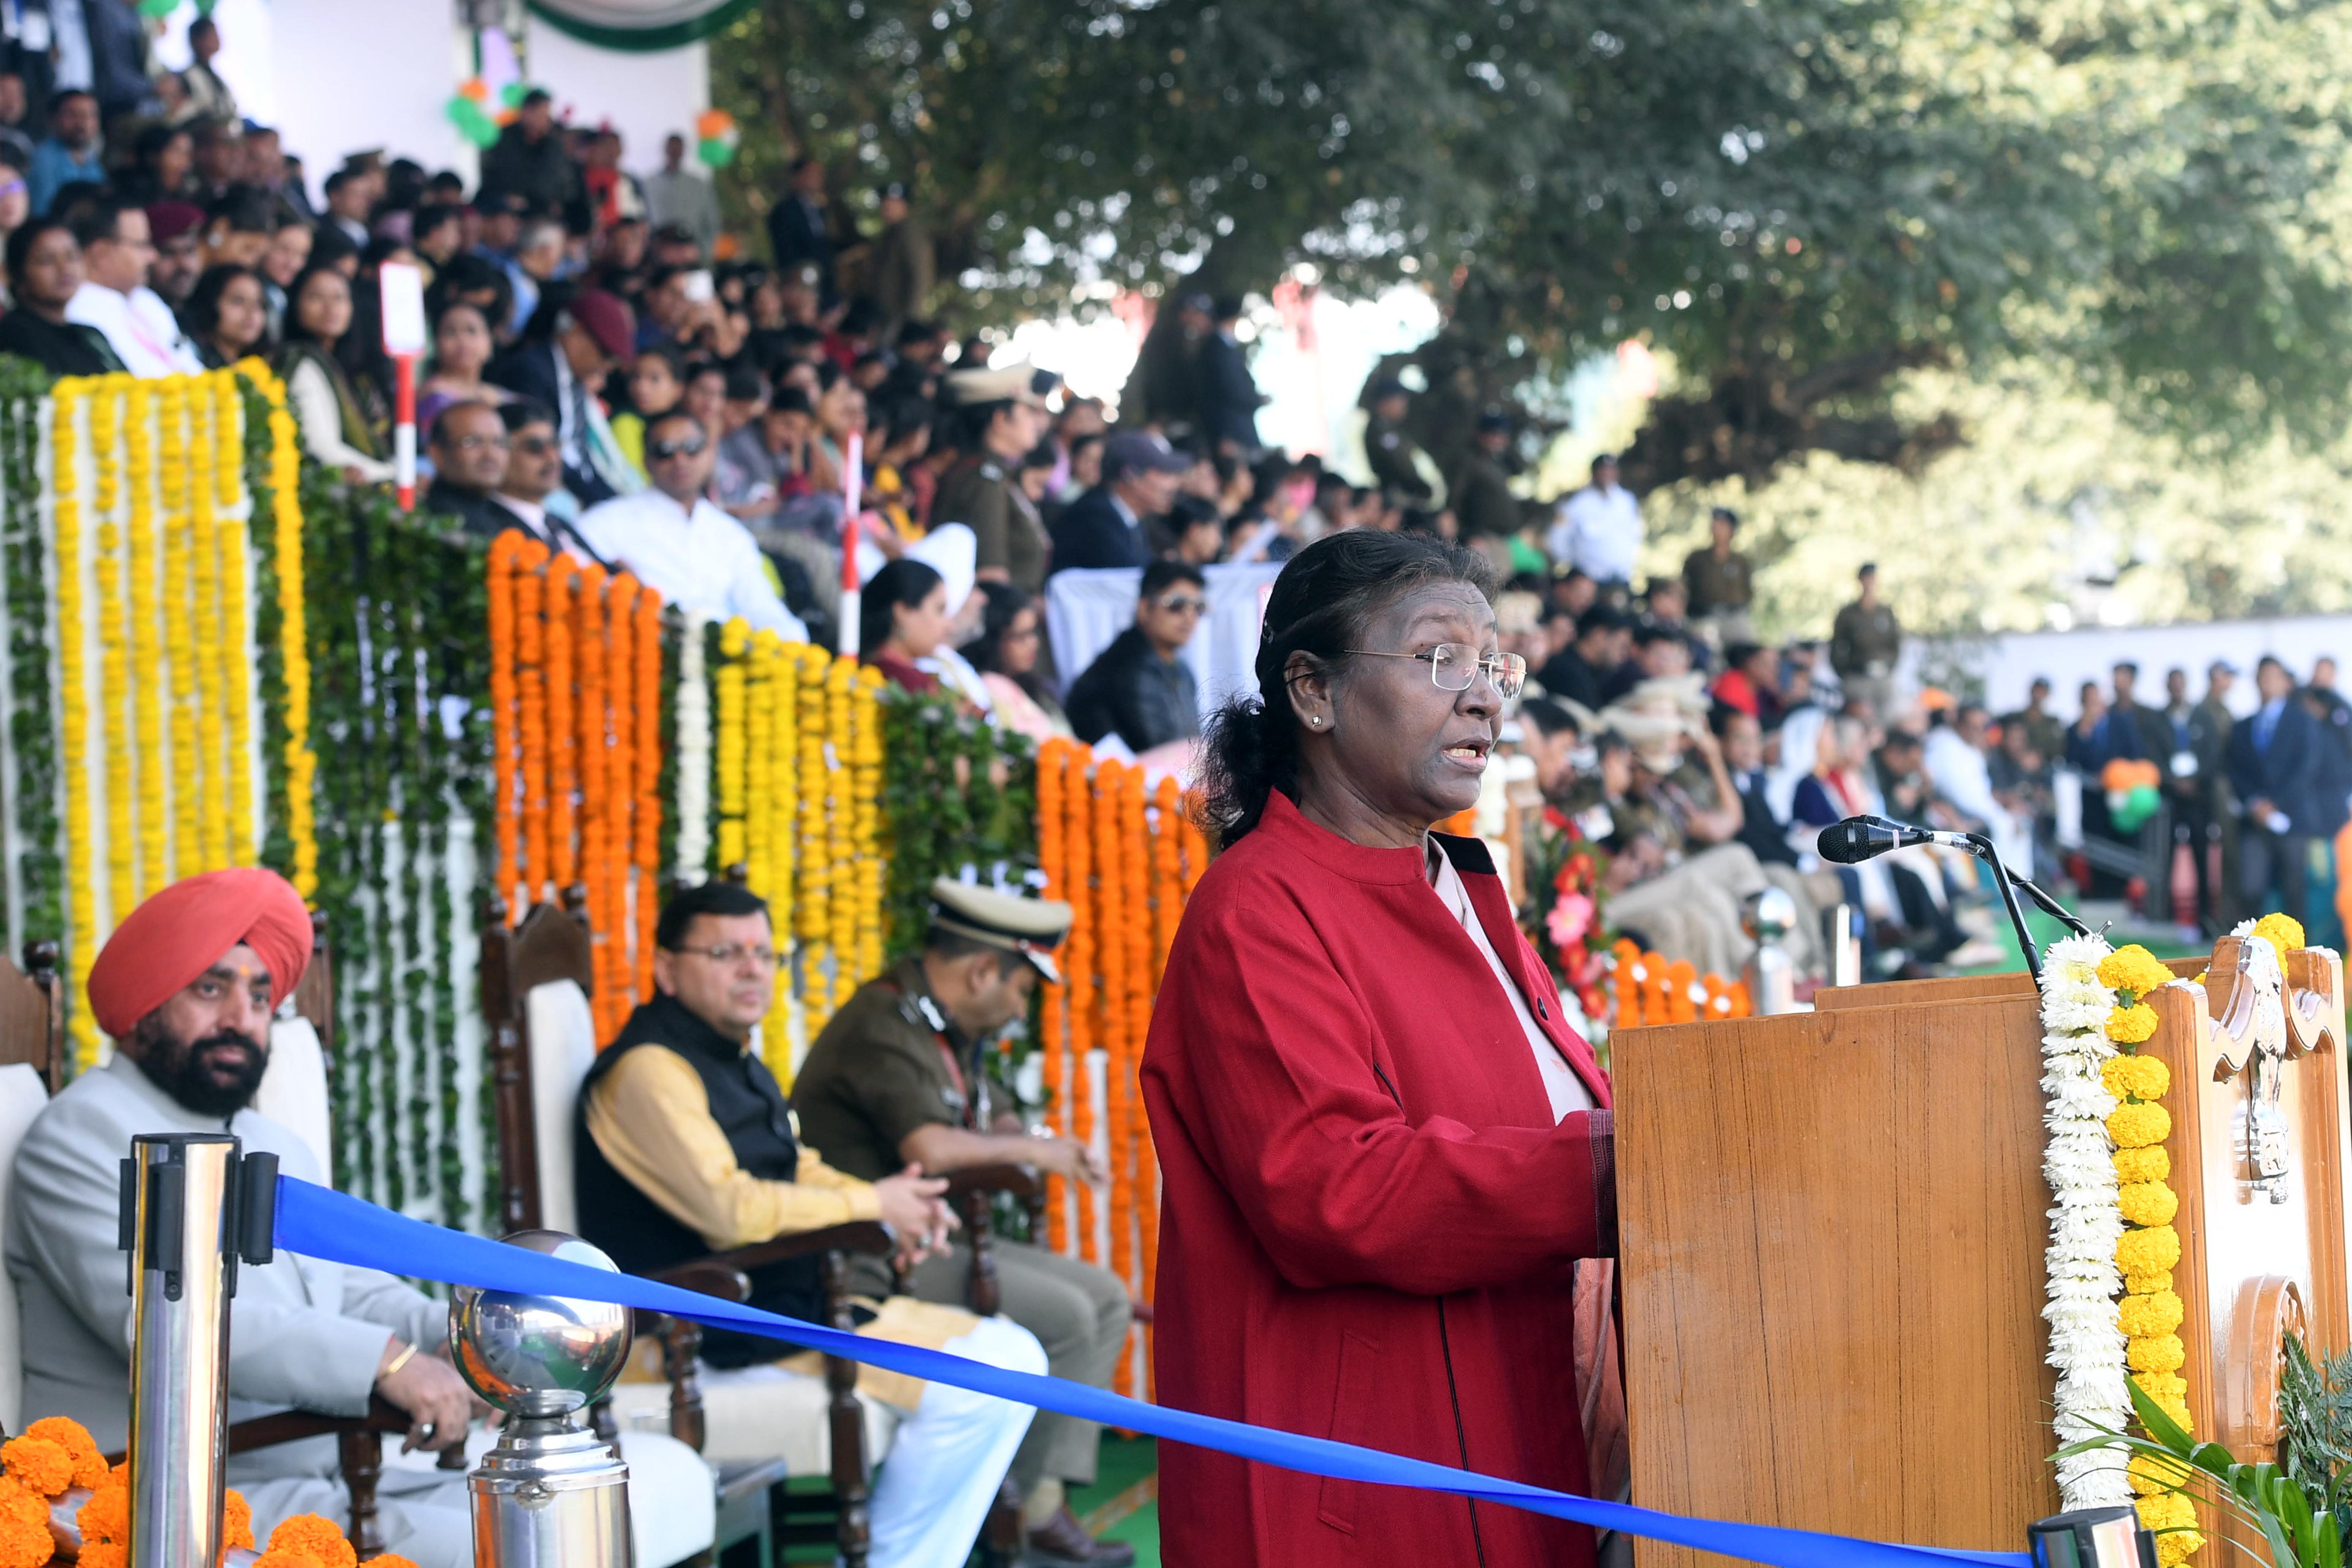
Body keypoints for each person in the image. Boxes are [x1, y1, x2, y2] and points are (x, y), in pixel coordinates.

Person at [1142, 529, 1609, 1568]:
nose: (1484, 695)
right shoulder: (1255, 908)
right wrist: (1622, 1167)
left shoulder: (1459, 885)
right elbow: (1338, 1189)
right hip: (1361, 1470)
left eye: (1493, 664)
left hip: (1513, 1417)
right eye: (1441, 659)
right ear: (1310, 690)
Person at [575, 880, 1047, 1568]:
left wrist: (896, 1202)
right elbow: (729, 1209)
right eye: (726, 952)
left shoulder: (730, 1055)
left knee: (1011, 1355)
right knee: (997, 1369)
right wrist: (870, 1206)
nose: (752, 970)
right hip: (697, 1339)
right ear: (667, 968)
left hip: (773, 1312)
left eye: (765, 954)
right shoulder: (652, 1070)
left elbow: (798, 1166)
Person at [10, 872, 473, 1564]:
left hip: (318, 1467)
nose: (241, 1016)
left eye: (260, 996)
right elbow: (163, 1321)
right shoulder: (78, 1135)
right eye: (210, 988)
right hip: (164, 1490)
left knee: (536, 1511)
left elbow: (346, 1285)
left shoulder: (271, 1139)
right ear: (142, 1003)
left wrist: (454, 1344)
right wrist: (384, 1361)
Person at [792, 879, 1136, 1568]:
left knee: (1105, 1296)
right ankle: (1006, 1514)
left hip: (927, 1237)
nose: (1019, 1005)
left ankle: (1034, 1502)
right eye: (1019, 988)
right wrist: (1036, 1150)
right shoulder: (884, 1022)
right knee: (1067, 1315)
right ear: (982, 970)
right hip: (864, 1252)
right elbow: (932, 1147)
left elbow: (990, 1113)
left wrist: (1021, 1134)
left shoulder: (945, 1023)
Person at [575, 408, 806, 637]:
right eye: (665, 452)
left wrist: (797, 648)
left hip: (724, 658)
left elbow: (763, 608)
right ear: (647, 461)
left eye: (692, 449)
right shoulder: (605, 523)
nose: (680, 461)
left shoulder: (730, 533)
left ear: (710, 455)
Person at [486, 284, 641, 505]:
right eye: (605, 354)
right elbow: (553, 452)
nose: (607, 367)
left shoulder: (571, 379)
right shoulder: (531, 371)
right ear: (576, 332)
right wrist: (604, 502)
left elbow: (583, 458)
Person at [935, 362, 1054, 593]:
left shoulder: (998, 475)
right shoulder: (984, 480)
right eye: (1029, 412)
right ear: (1001, 420)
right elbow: (991, 575)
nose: (1038, 423)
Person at [1064, 560, 1204, 754]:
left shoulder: (1180, 668)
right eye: (1176, 605)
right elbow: (1161, 749)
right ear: (1144, 609)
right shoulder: (1128, 668)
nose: (1190, 617)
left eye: (1198, 607)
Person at [273, 264, 392, 483]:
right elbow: (322, 448)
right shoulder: (299, 362)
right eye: (316, 297)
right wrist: (391, 475)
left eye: (339, 298)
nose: (330, 308)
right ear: (296, 305)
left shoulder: (355, 372)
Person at [63, 195, 200, 376]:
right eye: (142, 245)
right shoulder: (78, 312)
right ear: (101, 253)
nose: (152, 256)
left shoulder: (146, 298)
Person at [2230, 655, 2322, 922]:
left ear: (2285, 683)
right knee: (2250, 889)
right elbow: (2235, 771)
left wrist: (2276, 804)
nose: (2267, 682)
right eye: (2262, 677)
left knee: (2294, 890)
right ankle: (2251, 956)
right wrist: (2255, 804)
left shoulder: (2303, 722)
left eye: (2273, 676)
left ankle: (2298, 958)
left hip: (2292, 819)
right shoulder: (2243, 726)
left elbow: (2306, 769)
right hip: (2255, 821)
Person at [1048, 430, 1190, 573]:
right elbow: (1132, 578)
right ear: (1132, 477)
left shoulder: (1127, 517)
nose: (1174, 486)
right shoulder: (1094, 518)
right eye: (1165, 474)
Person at [487, 398, 607, 561]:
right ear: (499, 454)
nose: (552, 458)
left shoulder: (558, 523)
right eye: (535, 447)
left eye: (555, 445)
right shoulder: (487, 526)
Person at [0, 218, 122, 374]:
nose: (65, 269)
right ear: (16, 274)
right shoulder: (13, 335)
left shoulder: (91, 335)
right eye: (47, 260)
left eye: (72, 256)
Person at [967, 581, 1069, 741]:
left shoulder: (1037, 686)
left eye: (1034, 632)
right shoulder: (983, 689)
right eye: (1021, 637)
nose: (1033, 643)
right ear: (993, 642)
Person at [419, 401, 521, 537]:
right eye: (473, 442)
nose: (490, 454)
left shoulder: (508, 519)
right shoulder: (428, 523)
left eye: (499, 442)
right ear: (437, 453)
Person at [416, 297, 510, 438]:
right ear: (436, 344)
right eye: (450, 332)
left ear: (490, 343)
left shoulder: (500, 395)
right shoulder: (433, 396)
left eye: (472, 331)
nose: (462, 340)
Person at [1546, 452, 1642, 590]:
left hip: (1620, 578)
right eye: (1603, 470)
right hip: (1588, 579)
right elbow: (1557, 538)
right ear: (1594, 472)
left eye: (1611, 470)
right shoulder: (1576, 503)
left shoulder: (1627, 501)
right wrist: (1575, 563)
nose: (1607, 474)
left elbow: (1635, 535)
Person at [478, 88, 580, 215]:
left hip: (543, 213)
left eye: (546, 116)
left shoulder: (554, 146)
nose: (545, 121)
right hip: (504, 212)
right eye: (541, 116)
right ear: (526, 112)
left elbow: (563, 185)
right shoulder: (503, 140)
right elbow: (495, 179)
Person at [860, 558, 951, 695]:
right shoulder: (909, 685)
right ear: (902, 611)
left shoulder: (869, 666)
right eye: (939, 610)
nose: (949, 626)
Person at [1828, 563, 1901, 721]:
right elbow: (1836, 647)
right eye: (1867, 578)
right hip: (1857, 676)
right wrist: (1845, 674)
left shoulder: (1885, 613)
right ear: (1860, 581)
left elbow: (1896, 644)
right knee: (1859, 722)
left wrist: (1890, 666)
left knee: (1885, 722)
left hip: (1883, 676)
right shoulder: (1848, 614)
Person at [863, 179, 932, 343]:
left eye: (894, 201)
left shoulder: (909, 232)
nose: (887, 205)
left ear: (905, 205)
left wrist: (910, 319)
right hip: (883, 314)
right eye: (885, 201)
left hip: (899, 317)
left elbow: (919, 275)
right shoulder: (890, 234)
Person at [1193, 295, 1263, 455]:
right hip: (1232, 430)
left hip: (1233, 428)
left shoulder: (1218, 347)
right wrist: (1256, 399)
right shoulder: (1218, 349)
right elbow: (1232, 388)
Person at [1681, 506, 1755, 645]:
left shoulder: (1740, 561)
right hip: (1704, 616)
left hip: (1734, 616)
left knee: (1745, 648)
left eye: (1722, 525)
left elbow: (1748, 591)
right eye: (1715, 524)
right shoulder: (1697, 559)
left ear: (1732, 530)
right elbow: (1685, 588)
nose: (1717, 529)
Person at [766, 156, 838, 299]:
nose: (817, 179)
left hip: (826, 280)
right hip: (801, 283)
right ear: (797, 177)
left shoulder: (820, 210)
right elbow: (784, 250)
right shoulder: (783, 211)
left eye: (819, 174)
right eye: (810, 174)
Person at [1535, 603, 1627, 713]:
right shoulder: (1567, 672)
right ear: (1600, 635)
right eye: (1621, 646)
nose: (1623, 655)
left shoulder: (1586, 672)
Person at [644, 132, 720, 257]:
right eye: (672, 147)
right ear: (665, 149)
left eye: (678, 147)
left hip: (692, 253)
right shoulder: (649, 184)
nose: (675, 151)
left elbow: (712, 222)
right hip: (657, 253)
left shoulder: (699, 185)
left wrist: (703, 252)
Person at [27, 90, 102, 215]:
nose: (82, 123)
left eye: (90, 115)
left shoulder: (91, 158)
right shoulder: (43, 160)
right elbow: (45, 213)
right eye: (73, 115)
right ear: (53, 119)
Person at [180, 261, 267, 368]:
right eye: (238, 301)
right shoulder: (188, 358)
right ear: (210, 304)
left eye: (258, 303)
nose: (251, 312)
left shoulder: (258, 371)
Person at [1361, 376, 1433, 504]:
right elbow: (1399, 462)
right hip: (1398, 495)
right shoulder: (1380, 429)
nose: (1404, 404)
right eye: (1399, 399)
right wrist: (1419, 486)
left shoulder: (1390, 428)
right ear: (1384, 402)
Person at [1448, 410, 1517, 542]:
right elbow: (1456, 499)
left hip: (1500, 538)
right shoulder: (1469, 461)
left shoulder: (1498, 463)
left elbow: (1520, 468)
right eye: (1493, 434)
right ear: (1481, 435)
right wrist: (1468, 535)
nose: (1497, 440)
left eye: (1501, 435)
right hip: (1479, 538)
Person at [180, 15, 237, 123]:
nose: (218, 39)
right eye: (213, 34)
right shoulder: (189, 76)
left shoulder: (217, 78)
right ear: (196, 40)